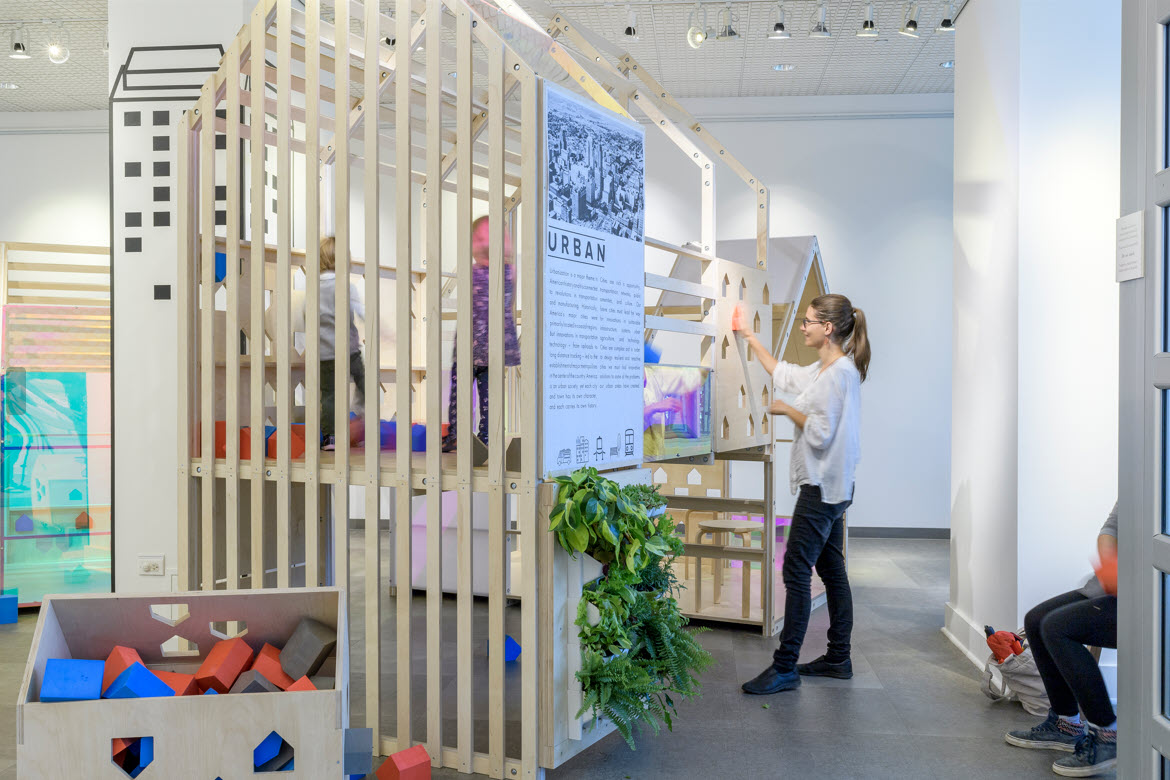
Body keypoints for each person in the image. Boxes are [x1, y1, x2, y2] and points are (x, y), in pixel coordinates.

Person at [736, 294, 870, 695]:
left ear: (827, 328)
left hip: (823, 488)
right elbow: (785, 373)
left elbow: (819, 433)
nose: (802, 327)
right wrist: (749, 337)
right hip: (833, 486)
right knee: (832, 571)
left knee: (796, 570)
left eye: (808, 321)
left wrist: (786, 410)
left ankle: (785, 667)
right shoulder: (825, 369)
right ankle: (838, 658)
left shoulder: (838, 374)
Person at [1004, 503, 1118, 777]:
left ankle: (1107, 736)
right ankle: (1066, 725)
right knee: (1036, 620)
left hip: (1152, 595)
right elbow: (1111, 528)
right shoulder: (1138, 481)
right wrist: (1111, 569)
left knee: (1057, 627)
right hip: (1112, 586)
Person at [442, 216, 520, 451]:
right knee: (461, 394)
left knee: (488, 396)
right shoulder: (474, 271)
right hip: (469, 346)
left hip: (489, 348)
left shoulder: (507, 271)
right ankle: (458, 434)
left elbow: (508, 304)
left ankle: (485, 437)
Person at [318, 235, 365, 451]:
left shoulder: (314, 288)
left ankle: (330, 437)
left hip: (325, 353)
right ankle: (359, 419)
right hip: (349, 350)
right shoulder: (345, 286)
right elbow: (361, 311)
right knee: (365, 384)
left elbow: (308, 315)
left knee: (329, 395)